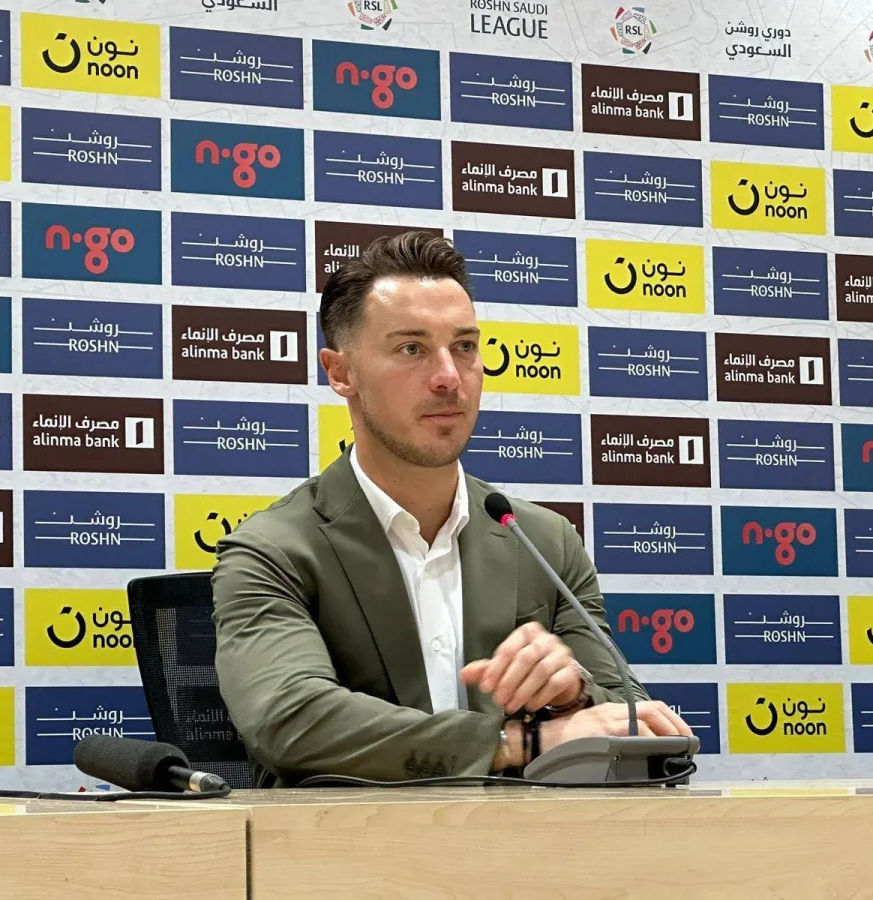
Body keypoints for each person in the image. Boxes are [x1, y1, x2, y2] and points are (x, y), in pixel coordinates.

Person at [211, 230, 693, 787]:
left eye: (464, 346)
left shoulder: (543, 540)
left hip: (525, 836)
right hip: (348, 839)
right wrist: (519, 742)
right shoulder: (273, 550)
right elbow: (290, 720)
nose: (448, 377)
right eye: (411, 349)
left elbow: (633, 717)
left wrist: (573, 696)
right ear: (341, 373)